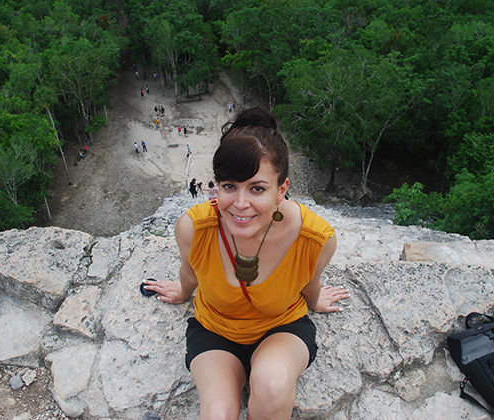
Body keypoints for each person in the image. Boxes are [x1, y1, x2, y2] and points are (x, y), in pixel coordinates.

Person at [142, 107, 349, 419]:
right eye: (229, 186)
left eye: (257, 188)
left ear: (282, 190)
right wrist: (183, 292)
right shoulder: (194, 228)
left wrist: (317, 300)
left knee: (273, 384)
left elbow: (308, 280)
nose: (240, 204)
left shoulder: (314, 237)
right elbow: (191, 272)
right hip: (215, 330)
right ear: (217, 186)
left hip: (282, 327)